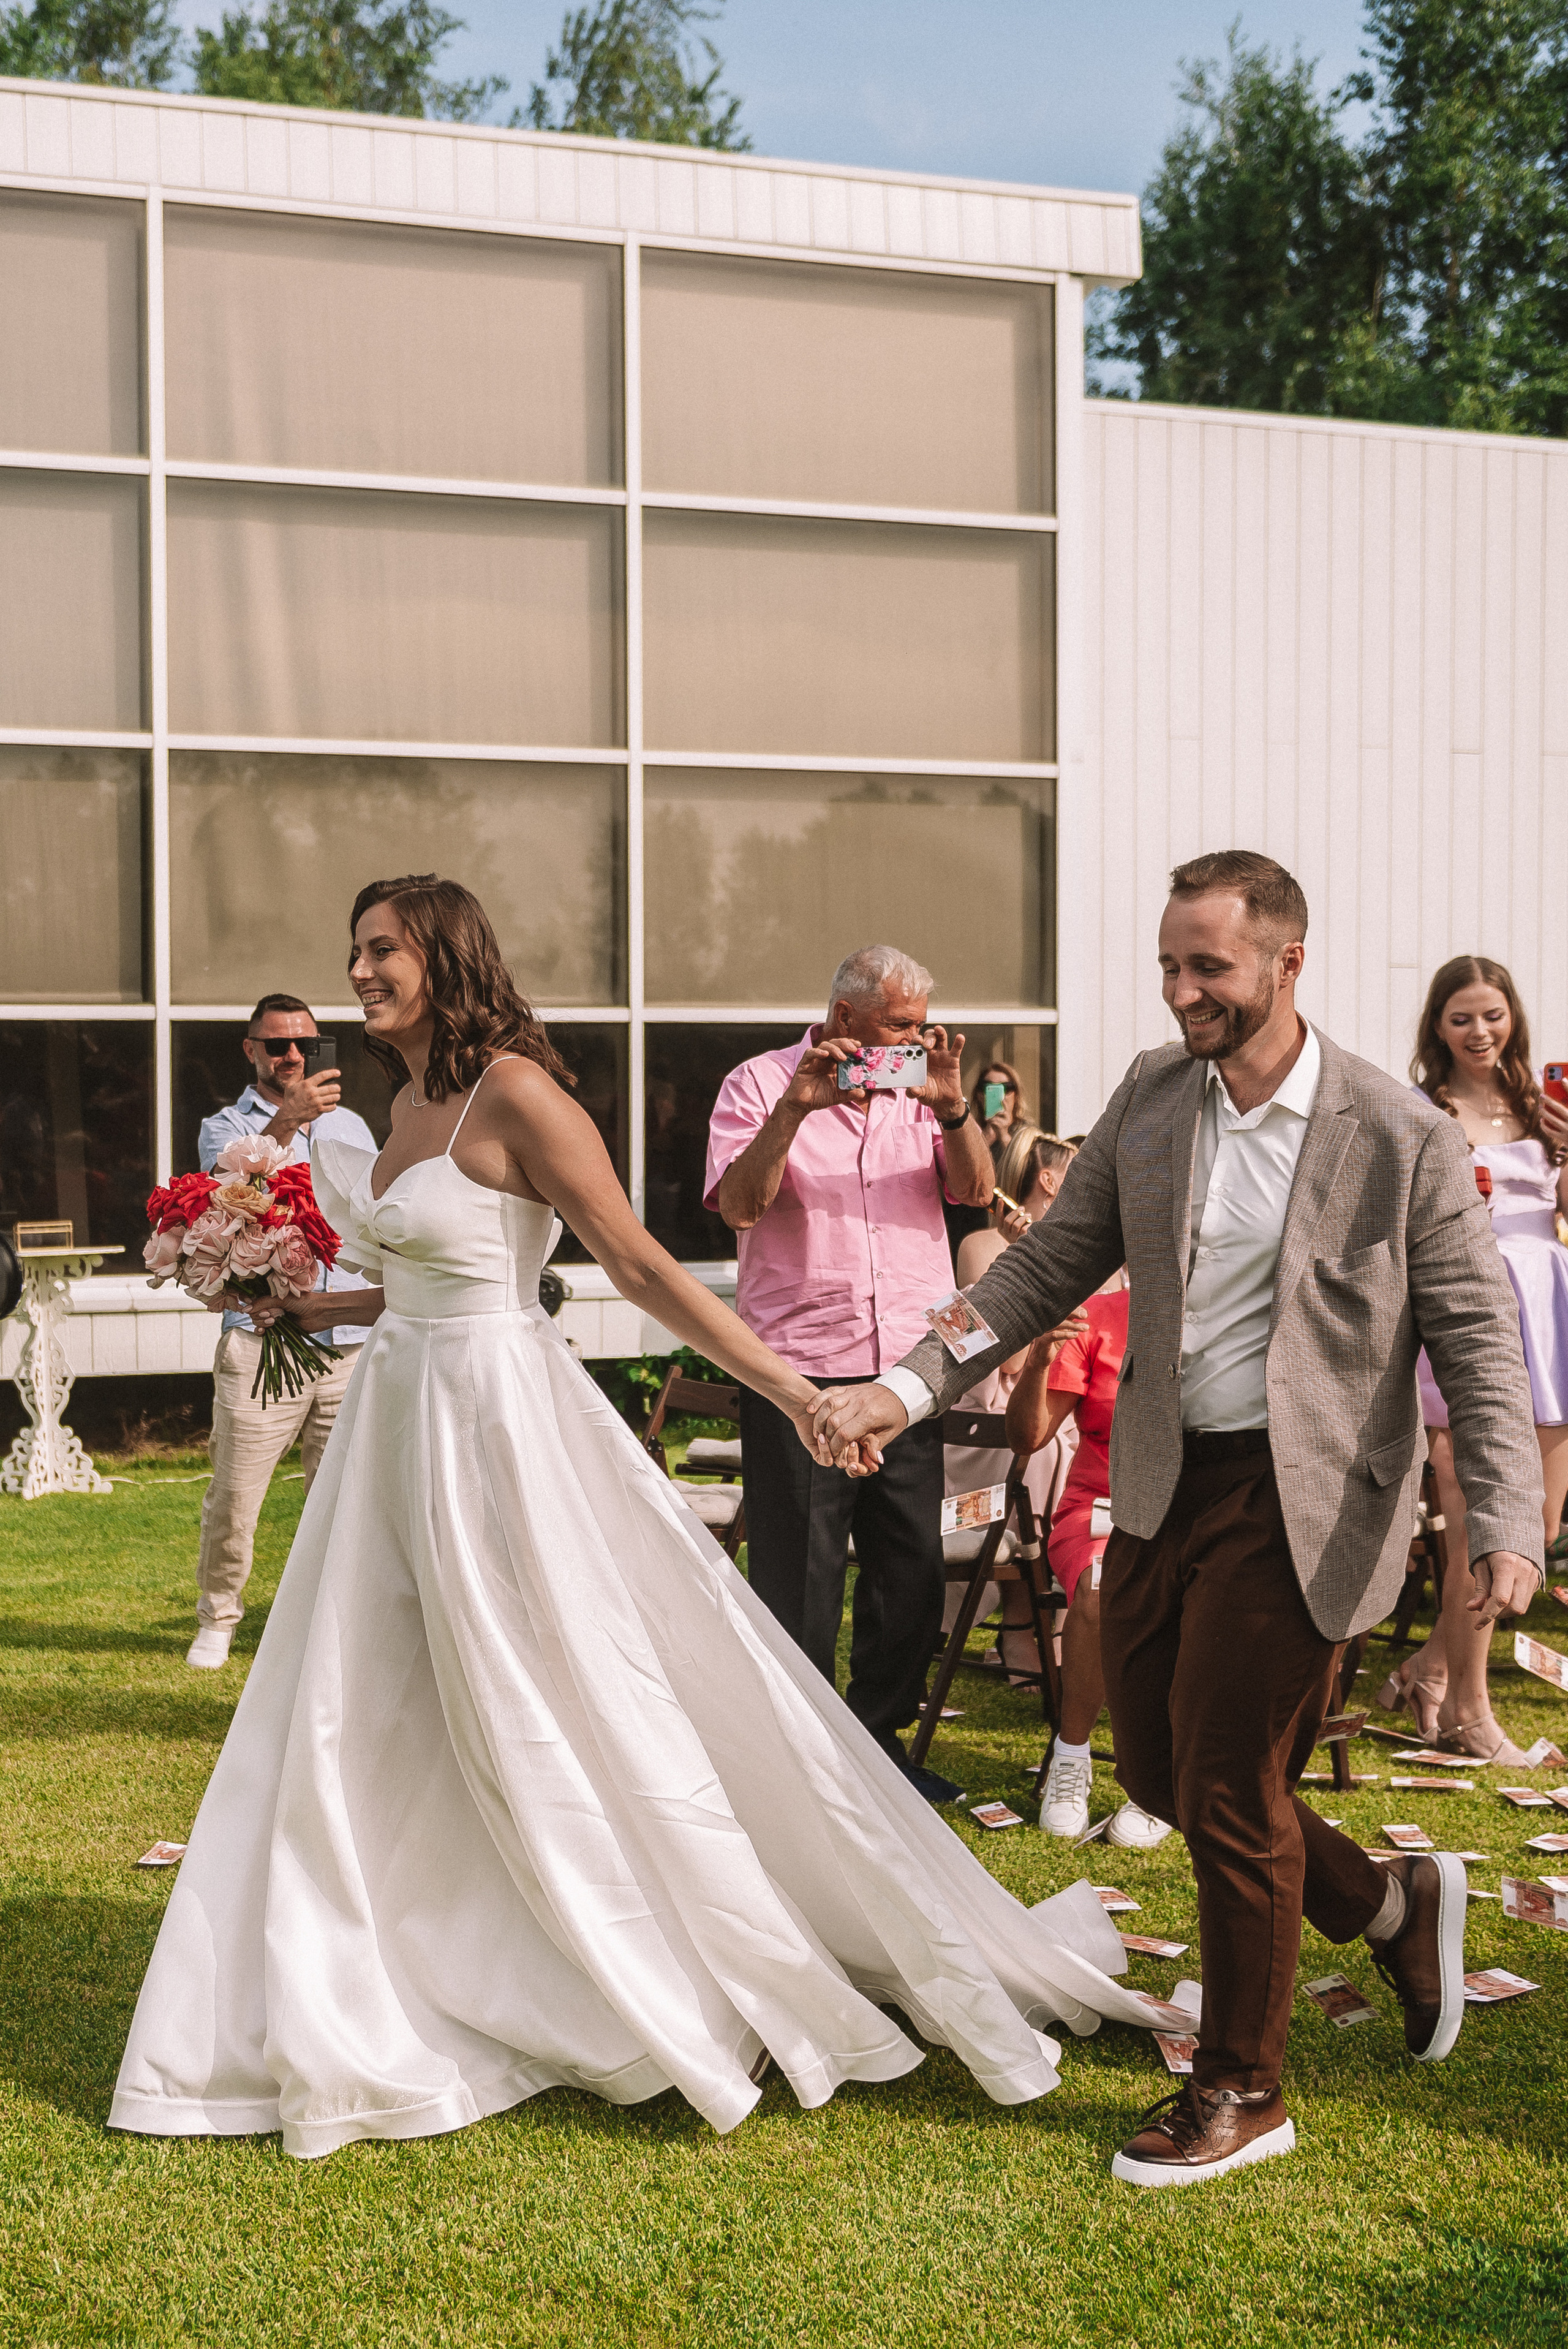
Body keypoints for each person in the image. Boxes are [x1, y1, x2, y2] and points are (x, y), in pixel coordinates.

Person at [110, 876, 1166, 2159]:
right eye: (355, 952)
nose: (361, 971)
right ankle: (390, 1944)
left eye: (382, 950)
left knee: (554, 1689)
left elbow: (641, 1263)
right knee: (368, 1698)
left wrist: (794, 1394)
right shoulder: (402, 1105)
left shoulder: (517, 1093)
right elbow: (416, 1289)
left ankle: (630, 1942)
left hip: (497, 1431)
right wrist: (301, 1309)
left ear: (444, 958)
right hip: (397, 1428)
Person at [810, 849, 1545, 2188]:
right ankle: (1392, 1908)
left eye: (1206, 966)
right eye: (1167, 964)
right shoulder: (1153, 1095)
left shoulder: (1396, 1133)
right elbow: (1041, 1268)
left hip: (1307, 1503)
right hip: (1161, 1479)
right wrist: (905, 1388)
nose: (1180, 990)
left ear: (1285, 963)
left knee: (1217, 1781)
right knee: (1158, 1775)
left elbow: (1476, 1341)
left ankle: (1242, 2089)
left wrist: (1502, 1515)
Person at [704, 946, 995, 1804]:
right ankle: (799, 1762)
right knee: (801, 1572)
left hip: (911, 1369)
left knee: (910, 1567)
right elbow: (739, 1206)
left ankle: (880, 1749)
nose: (917, 1037)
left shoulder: (923, 1095)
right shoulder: (758, 1084)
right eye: (901, 1025)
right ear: (843, 1021)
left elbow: (973, 1193)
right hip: (800, 1374)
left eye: (921, 1021)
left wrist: (951, 1109)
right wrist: (795, 1111)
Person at [1376, 956, 1568, 1761]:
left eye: (1492, 1015)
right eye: (1462, 1017)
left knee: (1538, 1523)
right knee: (1473, 1530)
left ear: (1512, 1016)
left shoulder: (1542, 1105)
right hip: (1463, 1310)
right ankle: (1471, 1711)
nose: (1480, 1031)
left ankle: (1429, 1667)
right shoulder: (1421, 1108)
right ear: (1438, 1026)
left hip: (1548, 1313)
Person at [186, 994, 377, 1671]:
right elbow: (231, 1209)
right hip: (261, 1339)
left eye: (305, 1044)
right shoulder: (226, 1127)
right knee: (237, 1495)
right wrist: (288, 1124)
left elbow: (369, 1219)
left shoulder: (352, 1124)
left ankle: (329, 1625)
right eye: (276, 1045)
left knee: (341, 1499)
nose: (291, 1056)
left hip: (348, 1344)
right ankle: (218, 1620)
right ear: (251, 1050)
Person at [1007, 1276, 1172, 1854]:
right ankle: (1071, 1756)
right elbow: (1027, 1438)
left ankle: (1156, 1779)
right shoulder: (1095, 1317)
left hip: (1193, 1512)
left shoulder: (1235, 1314)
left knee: (1197, 1592)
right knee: (1102, 1589)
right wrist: (1037, 1361)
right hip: (1100, 1509)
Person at [944, 1129, 1080, 1679]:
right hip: (984, 1423)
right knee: (1045, 1458)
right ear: (1049, 1180)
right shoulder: (980, 1247)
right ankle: (1027, 1627)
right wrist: (1030, 1258)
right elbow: (1001, 1358)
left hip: (1063, 1403)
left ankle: (1046, 1626)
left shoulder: (1082, 1252)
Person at [970, 1059, 1030, 1156]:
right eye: (988, 1088)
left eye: (1006, 1088)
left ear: (1016, 1095)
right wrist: (986, 1138)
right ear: (979, 1095)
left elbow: (1026, 1169)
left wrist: (1004, 1136)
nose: (999, 1097)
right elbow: (962, 1168)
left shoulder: (1027, 1133)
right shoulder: (969, 1131)